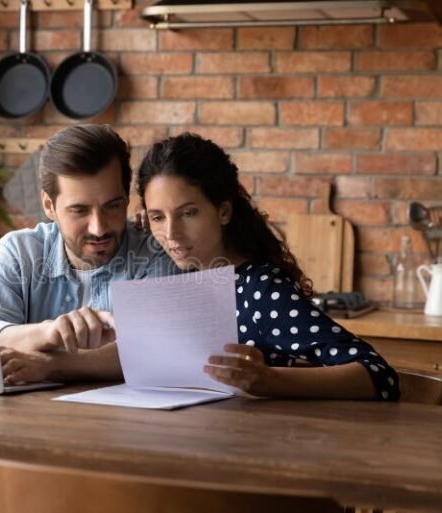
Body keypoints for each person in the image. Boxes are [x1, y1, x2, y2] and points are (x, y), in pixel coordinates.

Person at [0, 124, 174, 513]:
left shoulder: (155, 256)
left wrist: (51, 365)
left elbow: (154, 351)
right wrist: (46, 332)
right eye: (79, 210)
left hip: (124, 452)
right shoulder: (19, 252)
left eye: (112, 205)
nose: (99, 227)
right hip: (16, 445)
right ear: (48, 205)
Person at [137, 132, 400, 401]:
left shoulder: (259, 290)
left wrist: (269, 379)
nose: (171, 233)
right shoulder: (183, 280)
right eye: (158, 217)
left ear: (224, 211)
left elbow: (379, 376)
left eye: (188, 213)